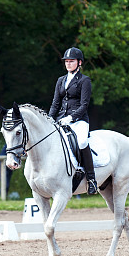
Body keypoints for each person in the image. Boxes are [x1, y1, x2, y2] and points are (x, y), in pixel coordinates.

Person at [48, 46, 97, 195]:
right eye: (66, 61)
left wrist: (71, 118)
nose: (68, 63)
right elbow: (55, 103)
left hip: (79, 120)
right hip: (61, 119)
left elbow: (84, 105)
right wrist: (49, 119)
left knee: (82, 141)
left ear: (79, 62)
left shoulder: (84, 80)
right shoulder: (60, 80)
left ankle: (91, 178)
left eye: (71, 61)